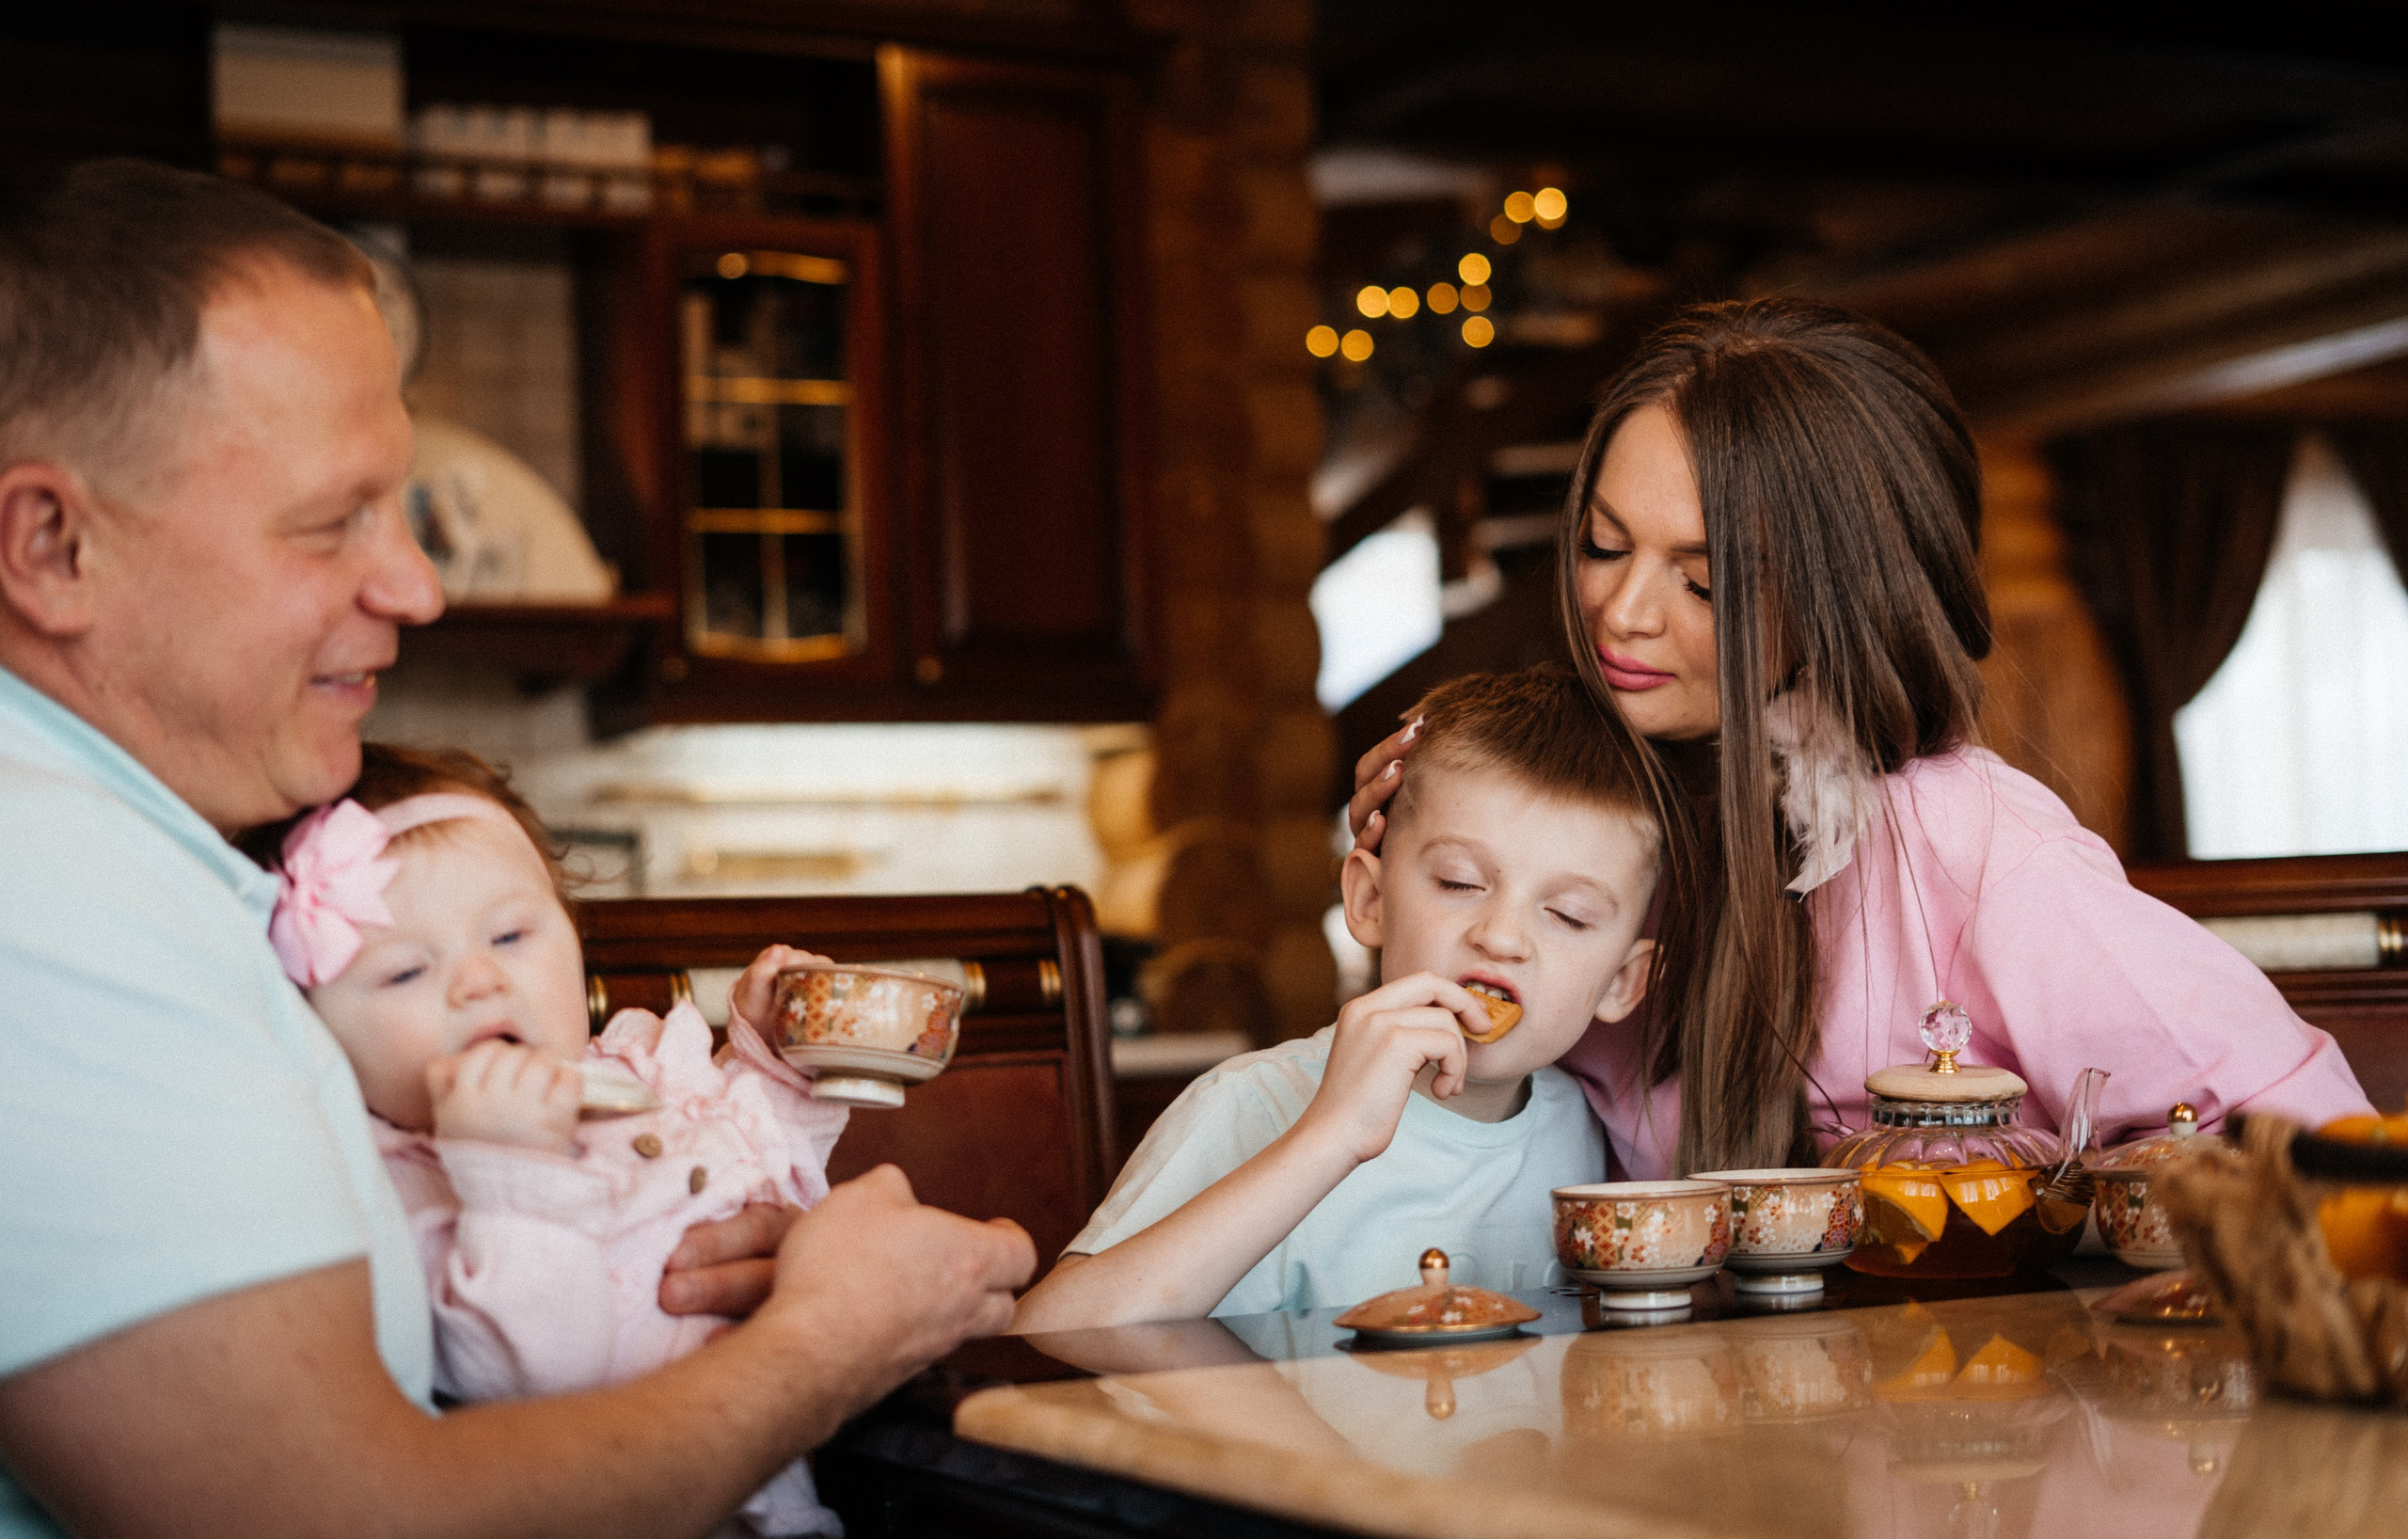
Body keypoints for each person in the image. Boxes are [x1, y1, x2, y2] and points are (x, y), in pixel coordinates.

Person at [0, 158, 1032, 1539]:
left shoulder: (116, 857)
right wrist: (835, 1337)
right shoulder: (49, 898)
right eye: (331, 521)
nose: (415, 584)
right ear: (50, 543)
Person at [1349, 297, 2369, 1182]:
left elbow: (2313, 1136)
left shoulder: (1964, 841)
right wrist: (1424, 875)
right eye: (1601, 546)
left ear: (1839, 597)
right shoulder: (1570, 816)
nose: (1620, 612)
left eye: (1702, 583)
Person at [242, 744, 852, 1535]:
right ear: (317, 1035)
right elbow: (538, 1373)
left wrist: (777, 1064)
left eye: (509, 937)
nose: (479, 981)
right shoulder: (402, 1185)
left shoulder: (640, 1073)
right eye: (404, 973)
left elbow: (774, 1179)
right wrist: (507, 1171)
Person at [1013, 665, 1659, 1332]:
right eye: (1461, 882)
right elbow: (1043, 1336)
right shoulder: (1252, 1104)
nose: (1501, 937)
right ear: (1369, 899)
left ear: (1621, 982)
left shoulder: (1585, 1137)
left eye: (1570, 915)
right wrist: (1332, 1135)